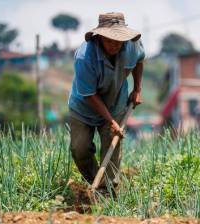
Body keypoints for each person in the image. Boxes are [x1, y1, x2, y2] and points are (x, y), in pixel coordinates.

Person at [68, 12, 145, 189]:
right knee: (80, 149)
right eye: (110, 40)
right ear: (100, 37)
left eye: (119, 41)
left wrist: (137, 88)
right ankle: (96, 185)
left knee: (112, 147)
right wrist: (110, 121)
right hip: (83, 108)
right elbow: (89, 95)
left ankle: (109, 191)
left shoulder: (132, 46)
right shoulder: (85, 57)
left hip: (116, 103)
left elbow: (140, 60)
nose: (115, 45)